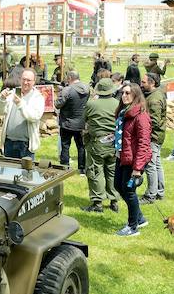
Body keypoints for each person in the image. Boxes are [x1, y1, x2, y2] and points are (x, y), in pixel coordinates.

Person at [113, 84, 152, 236]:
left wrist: (138, 168)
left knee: (129, 190)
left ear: (136, 95)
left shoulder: (141, 116)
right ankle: (140, 218)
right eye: (122, 92)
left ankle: (132, 226)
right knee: (118, 185)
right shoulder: (124, 112)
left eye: (128, 93)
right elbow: (125, 134)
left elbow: (144, 143)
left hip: (134, 160)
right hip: (122, 156)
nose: (124, 95)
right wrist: (114, 138)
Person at [83, 79, 120, 213]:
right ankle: (114, 200)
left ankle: (97, 203)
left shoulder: (91, 104)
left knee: (95, 171)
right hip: (114, 143)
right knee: (112, 172)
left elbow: (84, 119)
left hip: (97, 143)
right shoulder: (118, 103)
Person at [0, 69, 45, 159]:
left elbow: (34, 116)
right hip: (9, 142)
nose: (25, 82)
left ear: (34, 82)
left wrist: (20, 104)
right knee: (8, 171)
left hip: (26, 145)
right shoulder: (12, 94)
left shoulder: (38, 98)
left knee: (26, 172)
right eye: (23, 79)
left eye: (28, 80)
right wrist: (1, 99)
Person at [55, 70, 89, 172]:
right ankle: (82, 168)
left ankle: (65, 167)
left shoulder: (67, 90)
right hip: (81, 123)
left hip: (67, 123)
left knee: (65, 146)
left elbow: (58, 104)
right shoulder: (87, 88)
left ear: (70, 78)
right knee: (81, 146)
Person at [140, 73, 166, 204]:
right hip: (157, 136)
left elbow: (154, 121)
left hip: (153, 137)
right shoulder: (154, 95)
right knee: (156, 164)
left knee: (150, 165)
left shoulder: (154, 99)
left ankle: (150, 195)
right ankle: (159, 192)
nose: (141, 84)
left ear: (152, 83)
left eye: (144, 82)